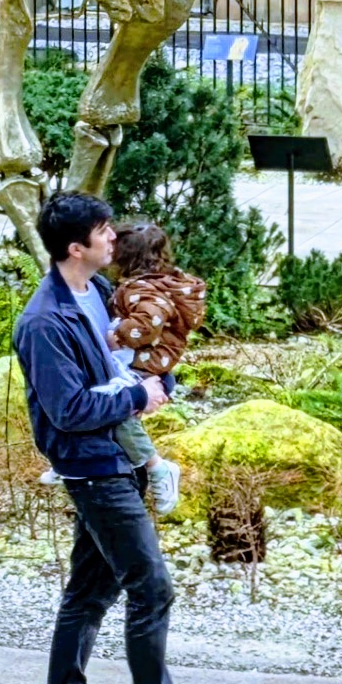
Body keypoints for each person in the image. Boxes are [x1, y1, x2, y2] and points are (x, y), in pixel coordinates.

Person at [13, 191, 214, 684]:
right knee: (151, 587)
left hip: (120, 458)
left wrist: (158, 383)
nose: (113, 238)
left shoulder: (102, 293)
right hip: (93, 467)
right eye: (103, 231)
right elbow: (69, 410)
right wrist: (136, 397)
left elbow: (138, 365)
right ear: (75, 248)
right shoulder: (44, 322)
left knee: (89, 593)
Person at [104, 218, 207, 513]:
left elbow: (149, 321)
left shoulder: (142, 289)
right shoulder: (159, 283)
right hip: (149, 363)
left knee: (117, 413)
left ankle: (157, 467)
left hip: (143, 365)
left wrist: (118, 336)